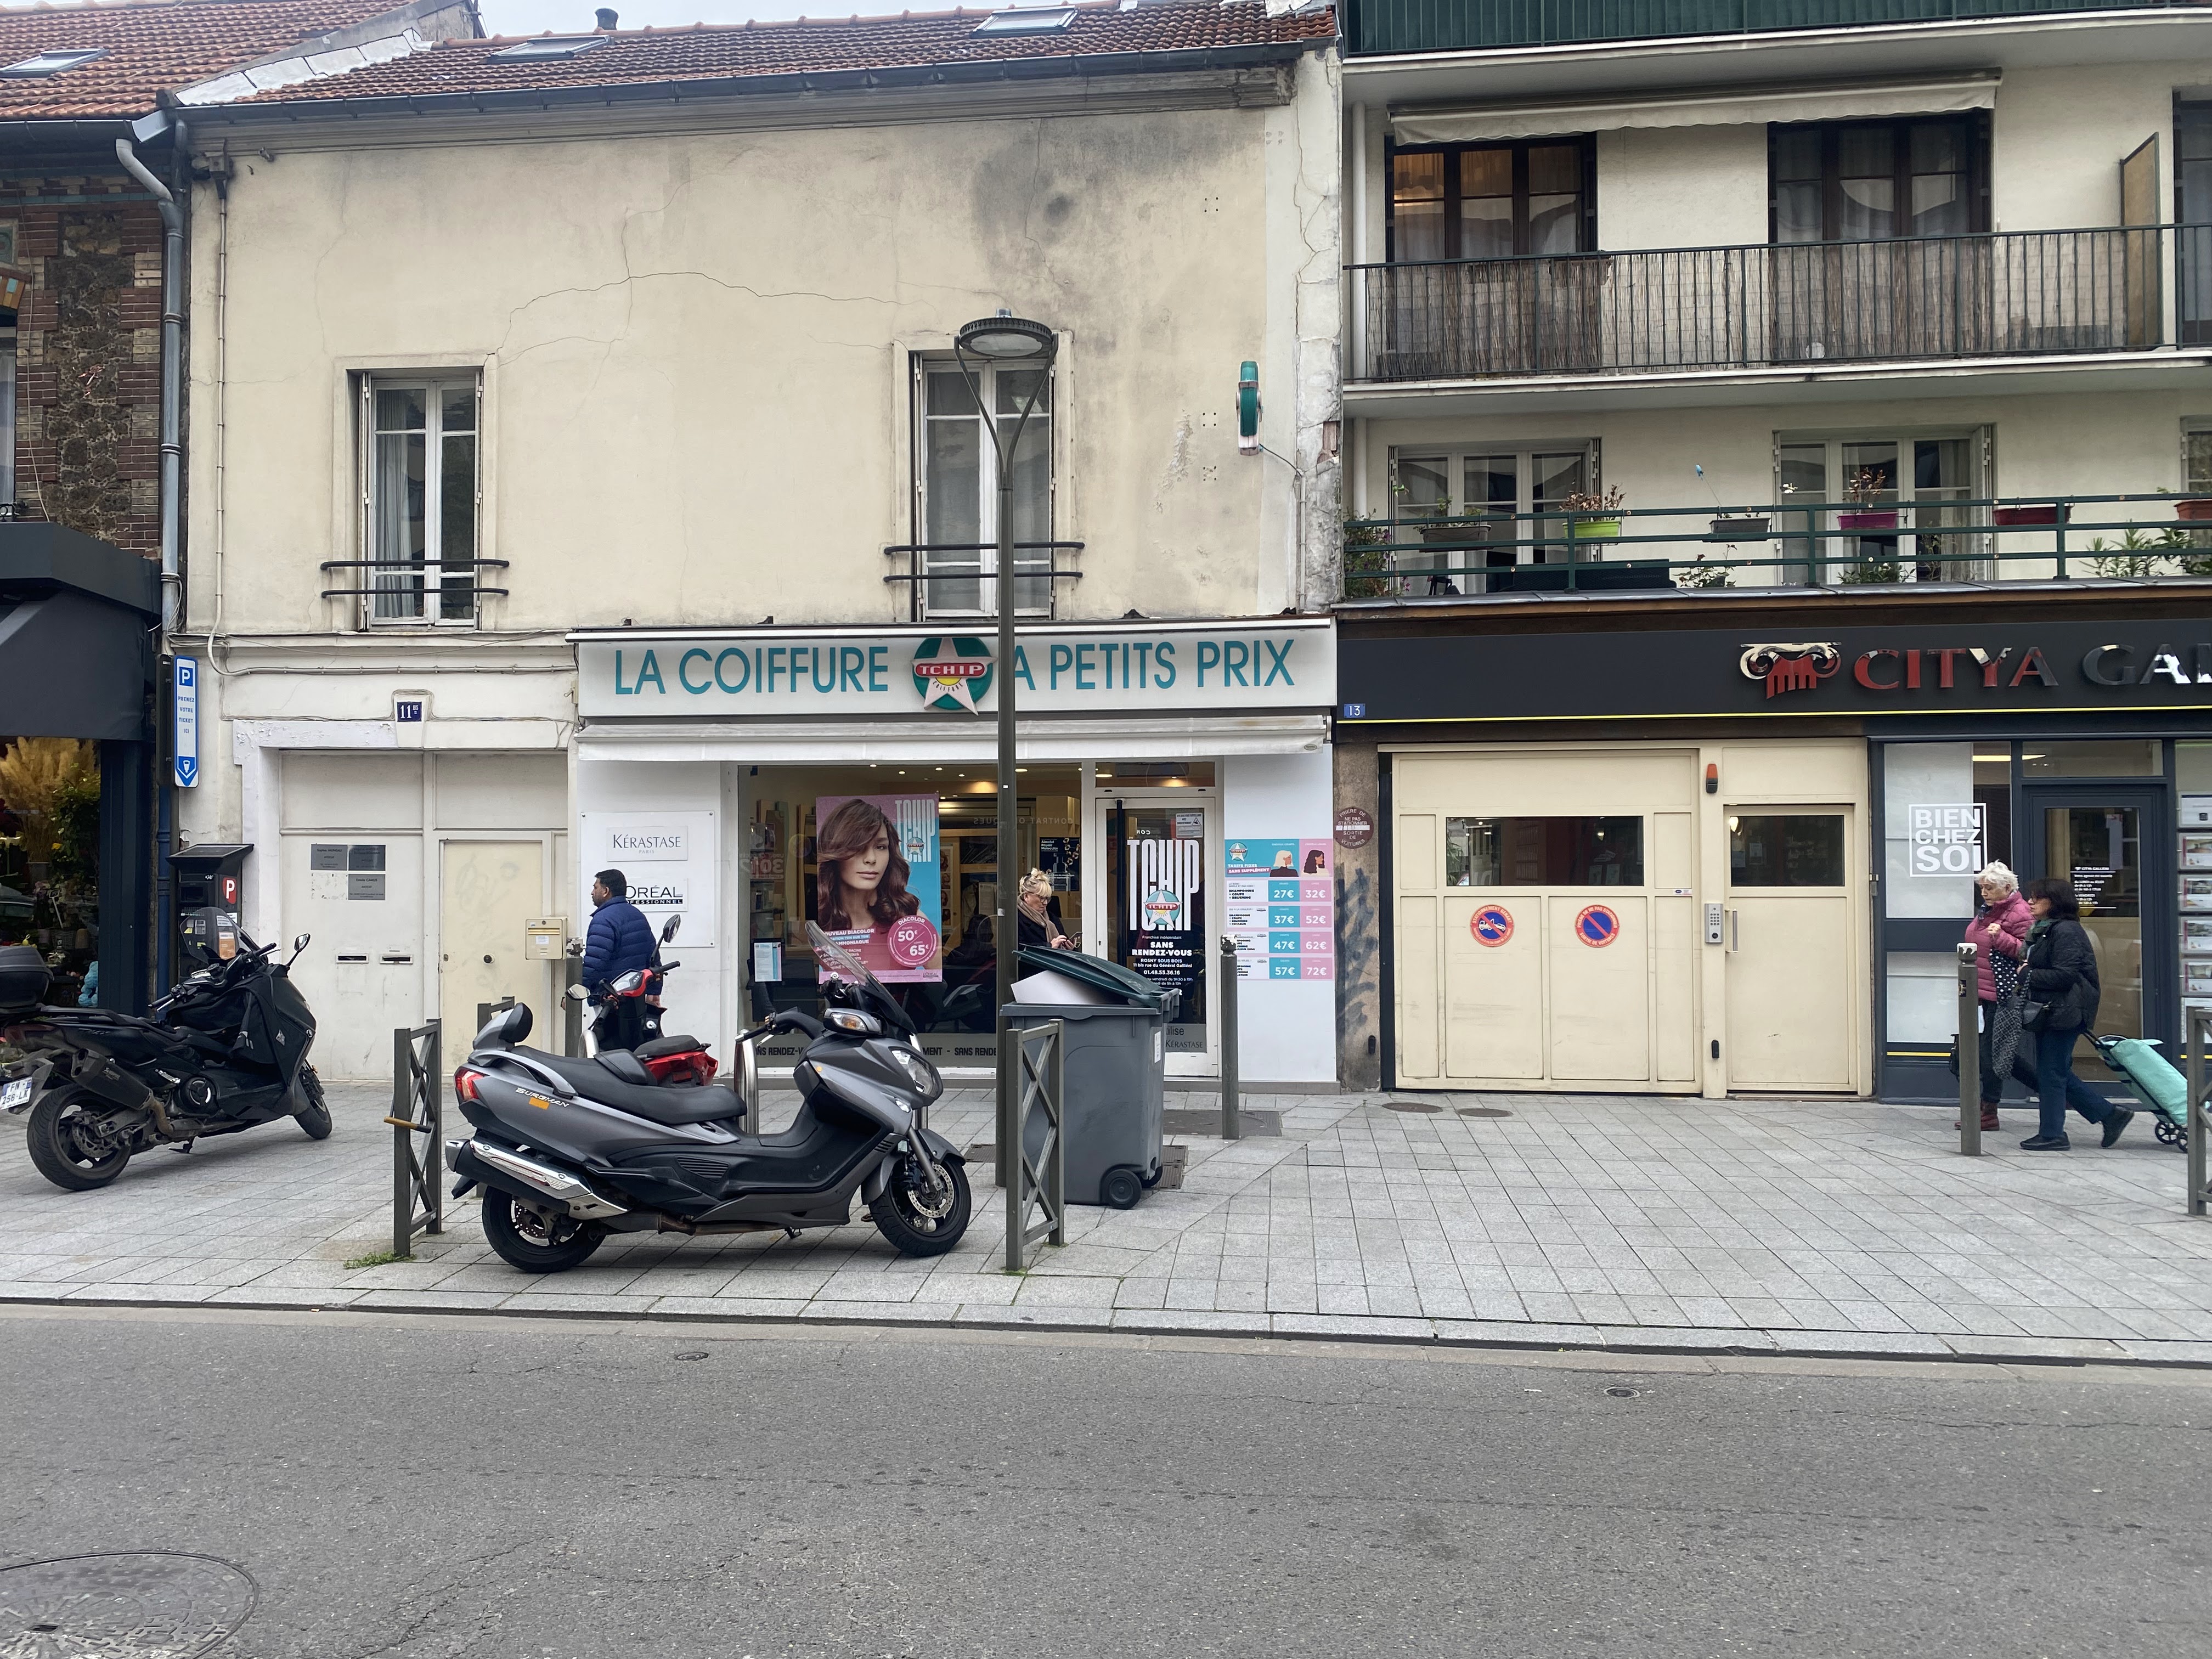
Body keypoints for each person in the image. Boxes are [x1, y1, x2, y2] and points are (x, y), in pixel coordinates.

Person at [2019, 875, 2134, 1152]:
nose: (2030, 902)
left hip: (2066, 1012)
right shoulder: (2046, 930)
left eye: (2037, 898)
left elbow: (2065, 975)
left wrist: (2028, 974)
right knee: (2054, 1071)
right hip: (2053, 1011)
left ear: (2055, 902)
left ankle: (2053, 1135)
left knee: (2052, 1073)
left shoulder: (2066, 931)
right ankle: (2110, 1115)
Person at [816, 797, 929, 974]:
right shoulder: (819, 922)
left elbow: (941, 980)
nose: (871, 859)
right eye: (858, 846)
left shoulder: (908, 920)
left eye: (881, 847)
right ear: (835, 852)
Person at [1957, 861, 2032, 1133]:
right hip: (1986, 990)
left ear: (2008, 888)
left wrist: (2001, 938)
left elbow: (2028, 952)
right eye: (1982, 888)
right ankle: (1987, 1109)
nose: (1984, 893)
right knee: (1992, 1051)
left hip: (2004, 993)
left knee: (1994, 1053)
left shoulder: (2019, 913)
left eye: (1989, 888)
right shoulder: (1988, 911)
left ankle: (1989, 1110)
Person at [579, 868, 656, 998]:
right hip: (636, 996)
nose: (592, 892)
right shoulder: (638, 915)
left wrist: (578, 991)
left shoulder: (603, 919)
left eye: (596, 888)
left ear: (606, 891)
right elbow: (653, 956)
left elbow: (594, 963)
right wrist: (654, 991)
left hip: (609, 998)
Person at [1016, 870, 1073, 950]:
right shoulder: (1015, 919)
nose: (1045, 903)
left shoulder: (1052, 918)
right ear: (1026, 896)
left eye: (1047, 898)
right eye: (1041, 898)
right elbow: (1017, 948)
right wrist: (1049, 946)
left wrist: (1070, 948)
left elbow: (1064, 939)